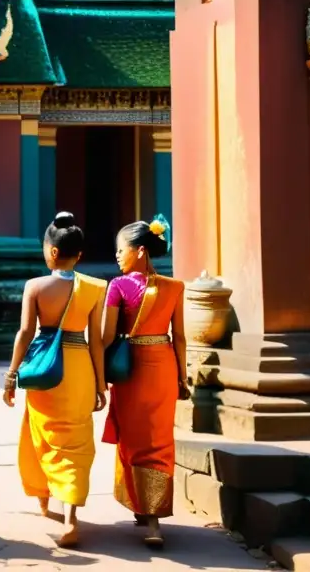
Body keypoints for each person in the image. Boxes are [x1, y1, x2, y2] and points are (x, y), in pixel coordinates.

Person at [3, 212, 107, 549]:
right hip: (78, 368)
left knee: (45, 435)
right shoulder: (93, 288)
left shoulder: (34, 286)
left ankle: (45, 499)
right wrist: (100, 385)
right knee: (75, 442)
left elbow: (24, 333)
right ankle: (71, 518)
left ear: (51, 252)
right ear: (79, 255)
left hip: (45, 369)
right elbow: (97, 341)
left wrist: (10, 375)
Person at [101, 217, 189, 549]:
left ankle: (150, 518)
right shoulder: (175, 287)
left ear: (139, 251)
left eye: (121, 250)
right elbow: (179, 337)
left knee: (134, 437)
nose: (117, 257)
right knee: (159, 438)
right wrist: (183, 376)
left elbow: (106, 337)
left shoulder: (118, 286)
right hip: (164, 366)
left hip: (132, 371)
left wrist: (97, 370)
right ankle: (149, 510)